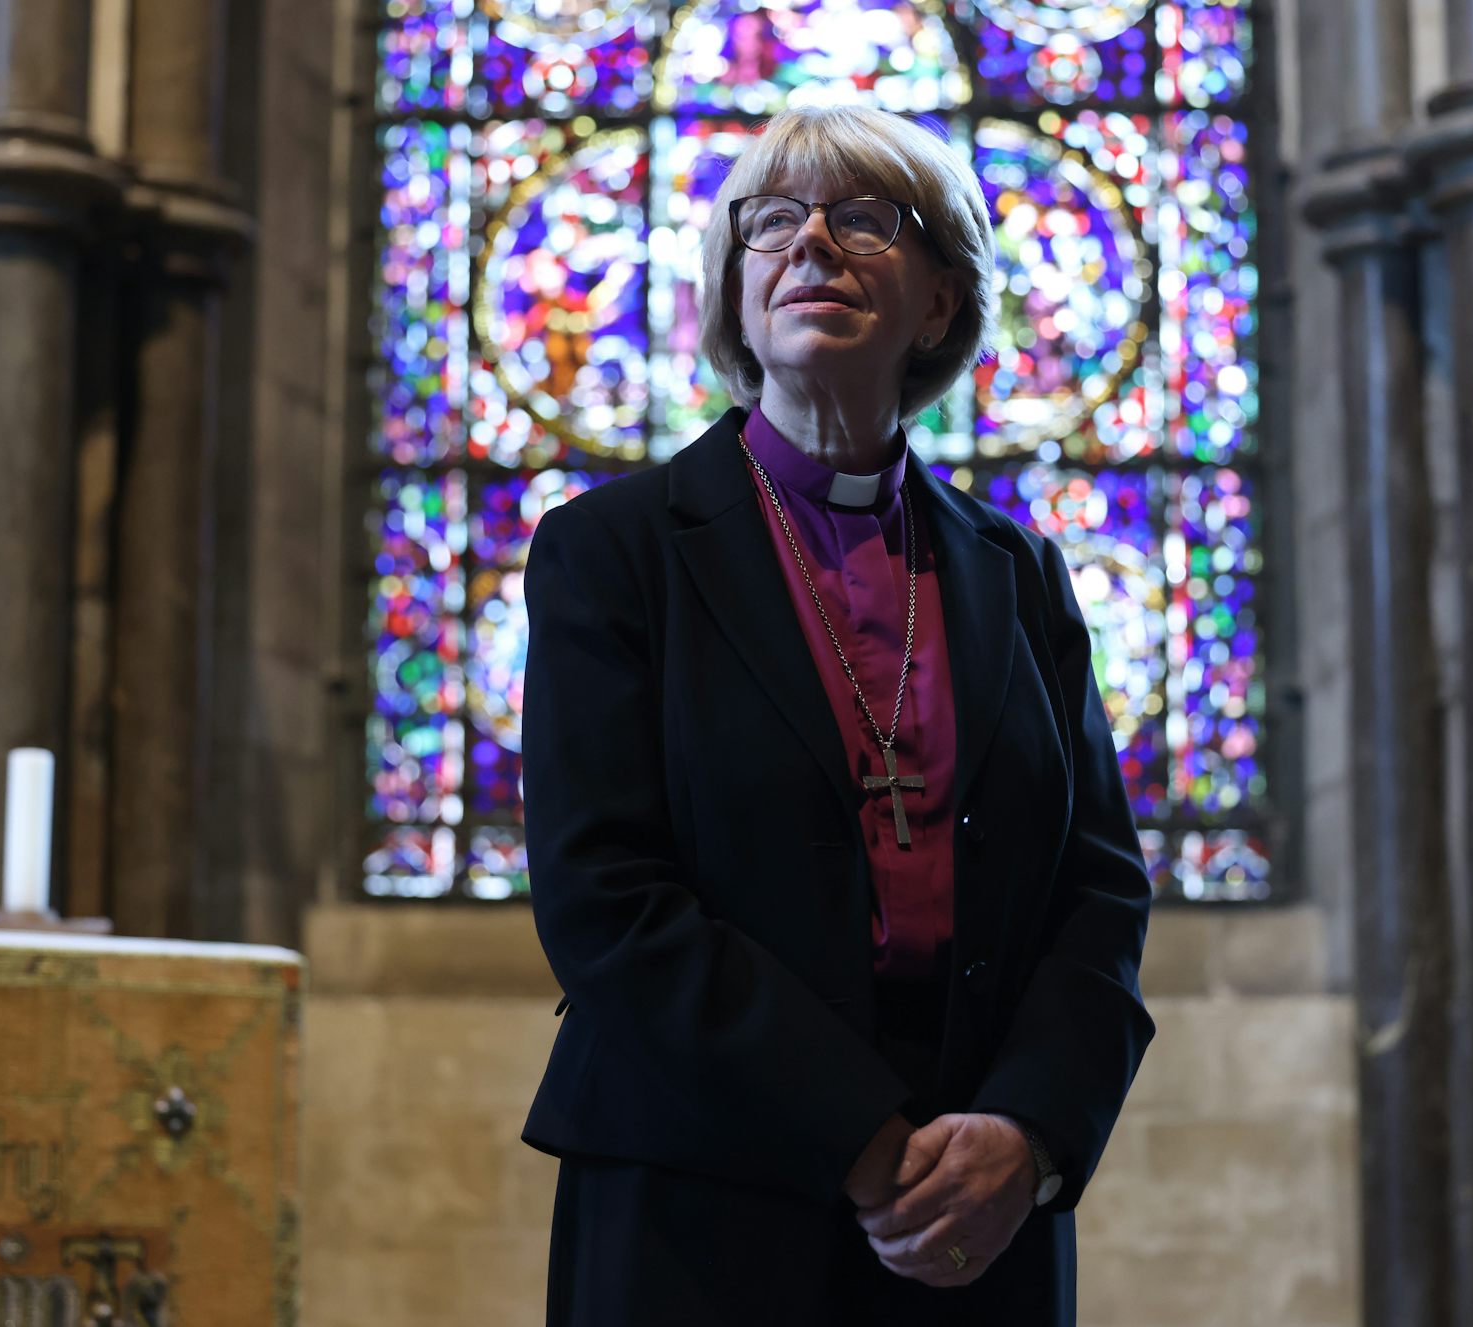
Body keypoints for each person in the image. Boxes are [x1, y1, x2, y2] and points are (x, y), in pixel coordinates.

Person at [520, 103, 1156, 1326]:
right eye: (771, 223)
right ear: (735, 293)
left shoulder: (1017, 573)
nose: (810, 244)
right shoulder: (614, 552)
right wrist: (862, 1139)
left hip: (975, 1203)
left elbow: (1100, 887)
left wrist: (1028, 1130)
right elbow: (607, 899)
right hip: (700, 1192)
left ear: (937, 303)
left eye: (863, 219)